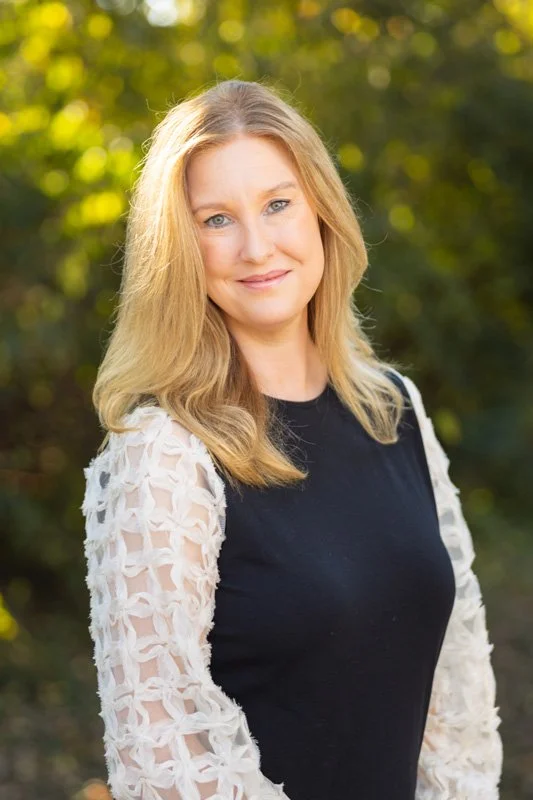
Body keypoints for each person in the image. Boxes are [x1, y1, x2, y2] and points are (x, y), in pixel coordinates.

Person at [81, 79, 503, 800]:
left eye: (277, 203)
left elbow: (454, 696)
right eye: (216, 219)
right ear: (179, 249)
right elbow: (162, 759)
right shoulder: (166, 454)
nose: (256, 246)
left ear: (320, 211)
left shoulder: (392, 409)